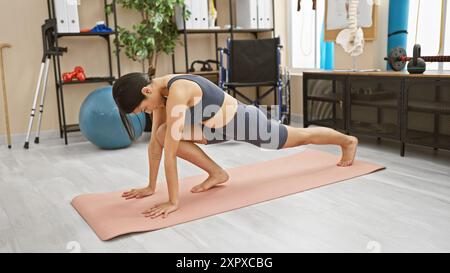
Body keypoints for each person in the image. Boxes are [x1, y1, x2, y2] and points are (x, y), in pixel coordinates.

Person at [112, 73, 358, 219]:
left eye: (144, 108)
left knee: (300, 137)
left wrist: (173, 202)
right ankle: (218, 173)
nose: (149, 111)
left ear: (146, 90)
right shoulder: (160, 95)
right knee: (163, 133)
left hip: (245, 123)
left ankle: (347, 141)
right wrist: (150, 186)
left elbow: (171, 152)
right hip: (214, 129)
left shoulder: (178, 90)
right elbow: (157, 145)